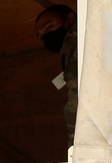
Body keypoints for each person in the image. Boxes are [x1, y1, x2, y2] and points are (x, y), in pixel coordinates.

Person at [35, 4, 78, 145]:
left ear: (70, 19)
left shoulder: (81, 37)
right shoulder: (68, 50)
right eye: (41, 35)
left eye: (49, 27)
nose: (45, 36)